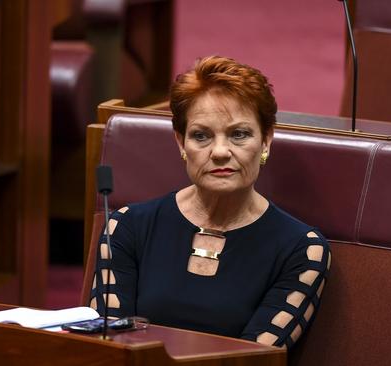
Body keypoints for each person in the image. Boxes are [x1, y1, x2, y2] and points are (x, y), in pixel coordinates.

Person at [90, 56, 331, 348]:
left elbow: (255, 360)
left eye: (239, 134)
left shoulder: (302, 250)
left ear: (266, 139)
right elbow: (108, 346)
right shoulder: (127, 227)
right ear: (181, 143)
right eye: (201, 136)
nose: (219, 152)